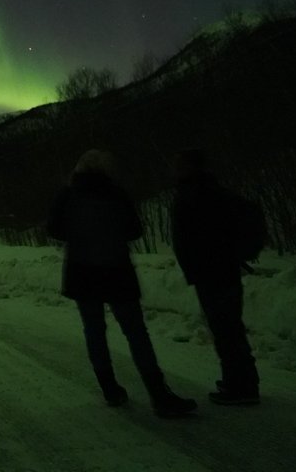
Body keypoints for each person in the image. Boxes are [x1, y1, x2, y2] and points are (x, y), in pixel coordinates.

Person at [47, 150, 196, 417]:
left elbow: (54, 229)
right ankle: (159, 394)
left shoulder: (67, 195)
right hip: (117, 270)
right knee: (136, 332)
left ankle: (110, 389)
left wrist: (80, 235)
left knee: (94, 330)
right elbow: (134, 230)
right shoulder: (117, 193)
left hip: (82, 272)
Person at [171, 148, 261, 405]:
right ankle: (244, 380)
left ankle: (239, 386)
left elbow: (186, 237)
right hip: (224, 268)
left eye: (179, 165)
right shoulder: (215, 191)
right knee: (231, 325)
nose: (175, 169)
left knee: (224, 328)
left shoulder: (192, 194)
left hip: (209, 271)